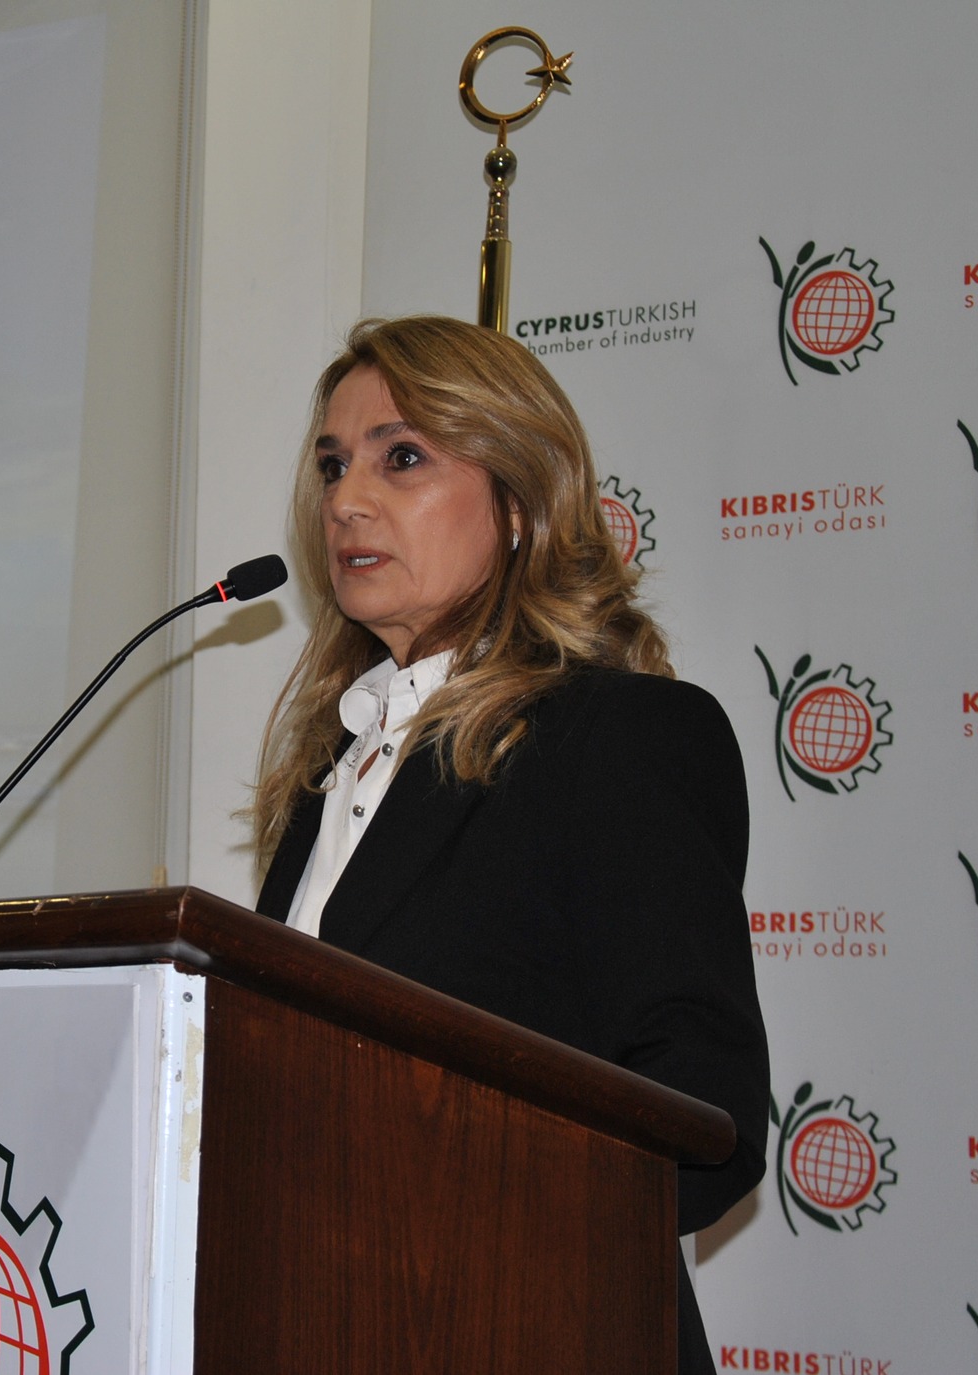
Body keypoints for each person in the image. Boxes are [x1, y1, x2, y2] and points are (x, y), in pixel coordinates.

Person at [250, 315, 767, 1375]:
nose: (346, 499)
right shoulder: (332, 764)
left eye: (401, 457)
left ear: (521, 501)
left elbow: (704, 1114)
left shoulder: (620, 737)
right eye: (333, 465)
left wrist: (441, 1213)